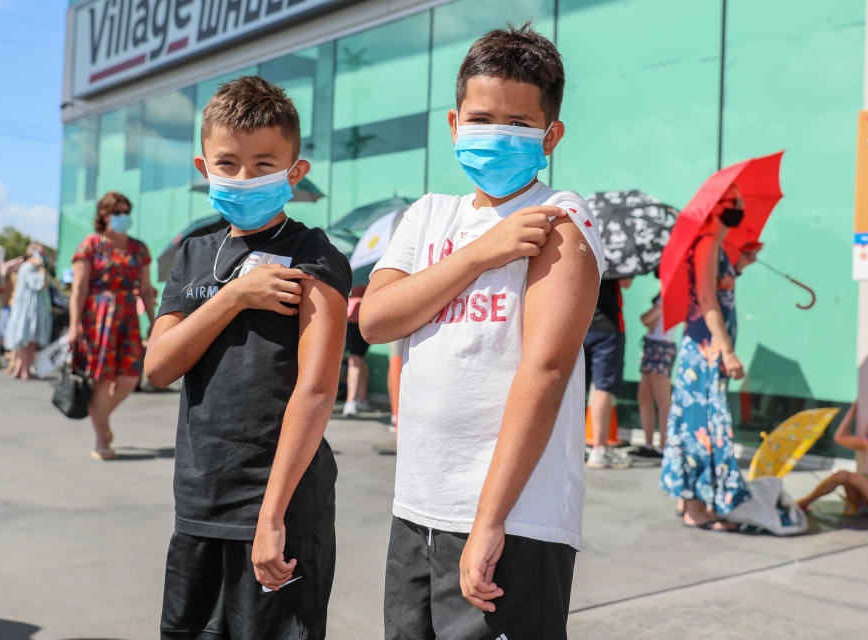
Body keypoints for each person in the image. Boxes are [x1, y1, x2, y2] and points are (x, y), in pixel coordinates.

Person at [361, 25, 603, 639]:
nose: (499, 134)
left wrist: (489, 519)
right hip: (417, 511)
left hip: (513, 522)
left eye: (520, 123)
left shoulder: (561, 223)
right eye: (482, 117)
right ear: (453, 123)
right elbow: (376, 318)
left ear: (552, 135)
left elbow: (544, 373)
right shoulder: (428, 215)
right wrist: (479, 255)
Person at [145, 76, 351, 640]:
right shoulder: (192, 256)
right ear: (202, 166)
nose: (244, 177)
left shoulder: (313, 256)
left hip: (277, 510)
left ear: (295, 170)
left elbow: (315, 390)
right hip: (199, 502)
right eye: (228, 163)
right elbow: (159, 366)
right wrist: (235, 295)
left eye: (264, 164)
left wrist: (271, 517)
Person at [660, 185, 761, 530]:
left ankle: (691, 496)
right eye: (735, 202)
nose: (741, 206)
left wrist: (740, 264)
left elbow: (716, 289)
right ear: (717, 208)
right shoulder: (706, 243)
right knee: (700, 425)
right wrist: (727, 351)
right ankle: (695, 506)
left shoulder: (715, 246)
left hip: (707, 349)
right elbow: (706, 299)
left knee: (699, 422)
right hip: (705, 350)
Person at [68, 191, 155, 460]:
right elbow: (79, 288)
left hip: (128, 317)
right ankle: (101, 440)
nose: (122, 217)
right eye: (116, 212)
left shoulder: (138, 248)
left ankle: (101, 422)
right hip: (97, 317)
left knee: (129, 378)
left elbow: (146, 289)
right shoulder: (90, 245)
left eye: (125, 211)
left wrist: (155, 322)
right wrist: (74, 325)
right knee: (103, 380)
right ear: (103, 215)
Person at [796, 401, 868, 515]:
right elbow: (839, 437)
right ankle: (801, 504)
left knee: (855, 478)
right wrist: (852, 412)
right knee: (843, 475)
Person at [584, 277, 633, 469]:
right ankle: (599, 449)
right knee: (603, 388)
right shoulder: (619, 250)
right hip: (608, 326)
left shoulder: (583, 246)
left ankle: (573, 446)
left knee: (576, 387)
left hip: (581, 322)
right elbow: (626, 282)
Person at [635, 293, 677, 458]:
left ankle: (663, 445)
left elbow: (646, 319)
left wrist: (656, 309)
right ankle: (649, 443)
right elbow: (650, 322)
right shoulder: (664, 295)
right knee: (644, 398)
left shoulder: (670, 294)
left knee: (662, 400)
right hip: (652, 344)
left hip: (662, 346)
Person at [3, 245, 52, 380]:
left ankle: (19, 368)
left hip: (27, 307)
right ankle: (25, 370)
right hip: (30, 308)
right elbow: (40, 284)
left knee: (24, 339)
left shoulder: (26, 267)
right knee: (29, 340)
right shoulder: (31, 268)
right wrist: (42, 268)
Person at [343, 284, 370, 416]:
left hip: (361, 319)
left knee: (354, 359)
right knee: (359, 359)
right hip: (352, 319)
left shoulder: (365, 273)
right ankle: (362, 399)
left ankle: (350, 402)